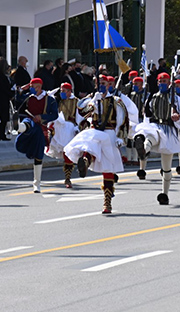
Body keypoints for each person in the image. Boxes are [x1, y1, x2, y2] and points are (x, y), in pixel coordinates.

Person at [65, 76, 130, 213]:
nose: (101, 86)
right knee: (89, 148)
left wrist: (120, 137)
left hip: (109, 133)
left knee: (108, 168)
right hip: (94, 131)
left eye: (104, 83)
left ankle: (107, 202)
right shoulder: (92, 99)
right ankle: (84, 163)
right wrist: (93, 101)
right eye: (98, 83)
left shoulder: (115, 101)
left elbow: (123, 119)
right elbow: (82, 112)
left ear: (109, 84)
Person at [135, 72, 180, 204]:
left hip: (169, 130)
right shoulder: (153, 97)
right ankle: (144, 150)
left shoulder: (176, 99)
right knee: (150, 137)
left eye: (165, 81)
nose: (162, 83)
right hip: (156, 126)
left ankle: (164, 193)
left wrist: (178, 118)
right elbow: (148, 114)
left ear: (169, 83)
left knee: (166, 167)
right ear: (157, 83)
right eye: (160, 81)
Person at [14, 78, 58, 193]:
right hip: (30, 121)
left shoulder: (49, 99)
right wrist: (21, 90)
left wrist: (42, 117)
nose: (32, 89)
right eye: (31, 86)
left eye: (33, 87)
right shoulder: (29, 97)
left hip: (41, 128)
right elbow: (17, 99)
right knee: (29, 123)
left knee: (38, 155)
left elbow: (55, 115)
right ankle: (18, 127)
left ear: (39, 87)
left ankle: (36, 183)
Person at [46, 82, 86, 188]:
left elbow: (79, 117)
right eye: (61, 90)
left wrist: (78, 128)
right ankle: (67, 177)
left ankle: (68, 178)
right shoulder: (58, 101)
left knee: (68, 153)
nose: (62, 93)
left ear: (69, 91)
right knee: (62, 151)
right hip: (59, 127)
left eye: (64, 91)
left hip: (69, 129)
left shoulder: (76, 101)